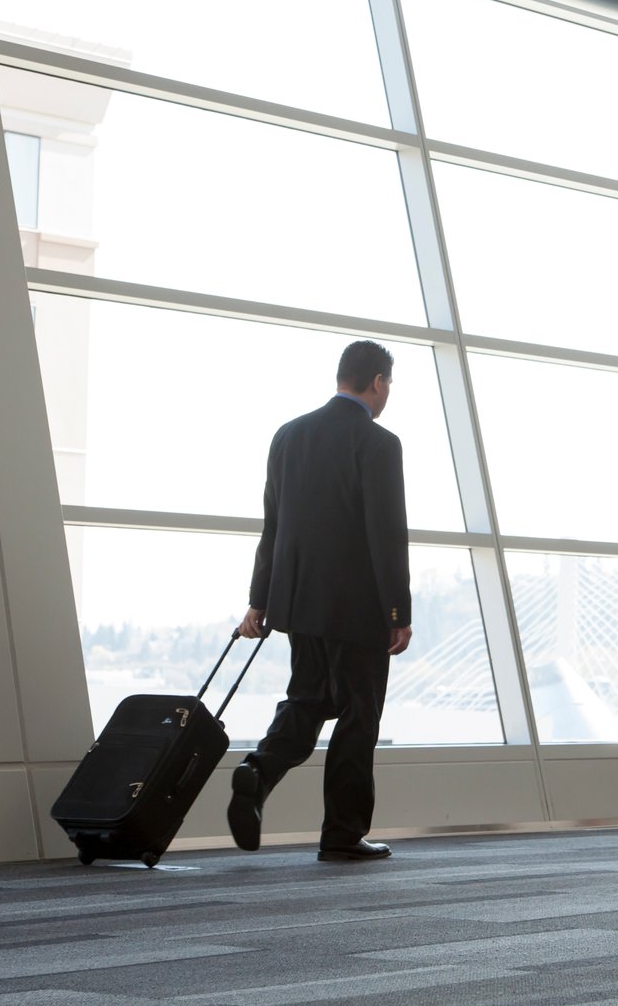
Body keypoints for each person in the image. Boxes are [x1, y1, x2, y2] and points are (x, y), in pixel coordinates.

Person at [228, 340, 412, 861]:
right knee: (358, 715)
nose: (388, 395)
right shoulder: (378, 444)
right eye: (389, 385)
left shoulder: (289, 435)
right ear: (377, 381)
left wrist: (259, 601)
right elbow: (387, 534)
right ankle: (342, 834)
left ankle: (257, 771)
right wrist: (398, 613)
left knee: (309, 700)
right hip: (356, 609)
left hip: (298, 603)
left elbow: (274, 526)